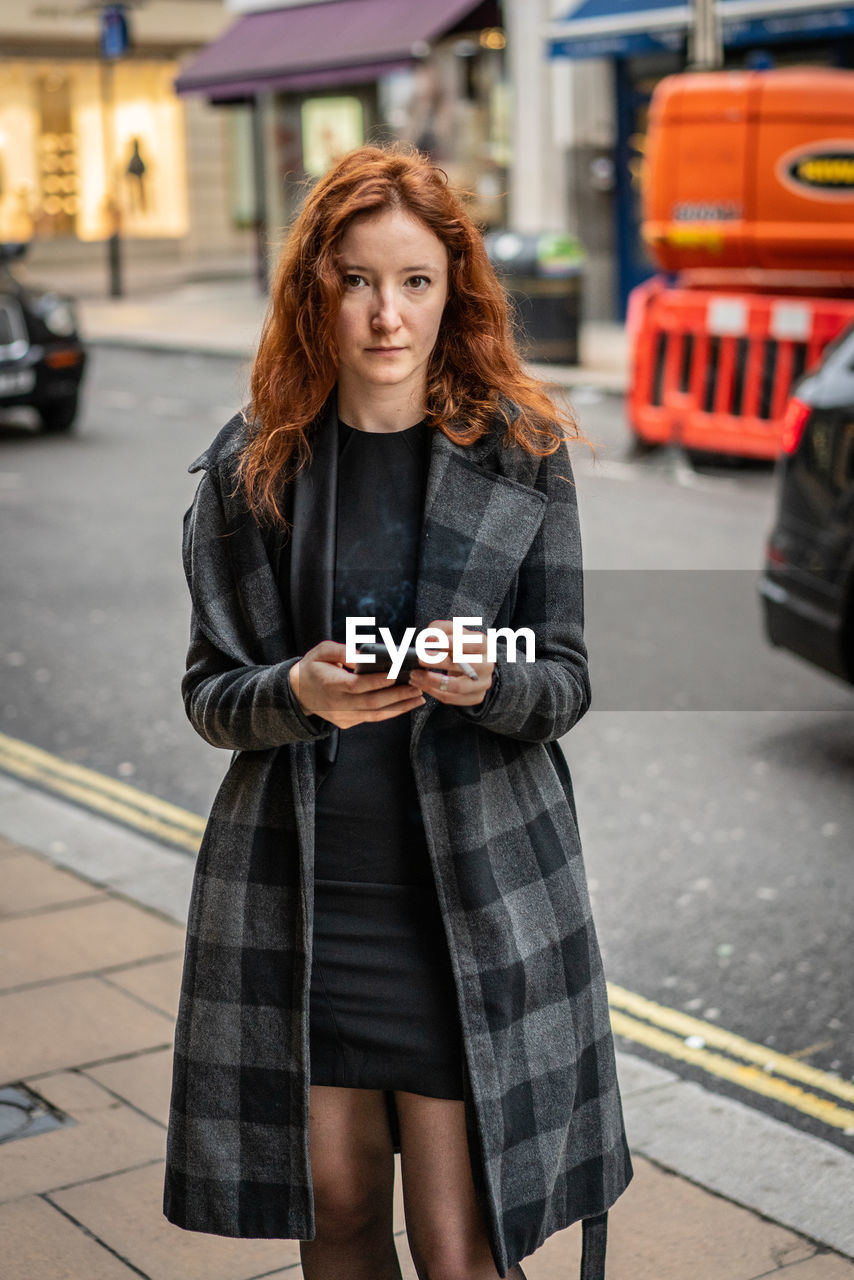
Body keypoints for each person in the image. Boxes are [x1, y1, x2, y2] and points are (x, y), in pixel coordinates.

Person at [163, 143, 633, 1280]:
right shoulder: (252, 467)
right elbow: (210, 697)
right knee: (332, 1214)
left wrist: (491, 678)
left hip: (464, 897)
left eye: (414, 280)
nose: (386, 314)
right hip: (302, 896)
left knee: (461, 1243)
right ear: (312, 289)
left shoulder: (519, 453)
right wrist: (295, 692)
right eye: (356, 279)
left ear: (451, 289)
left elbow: (562, 676)